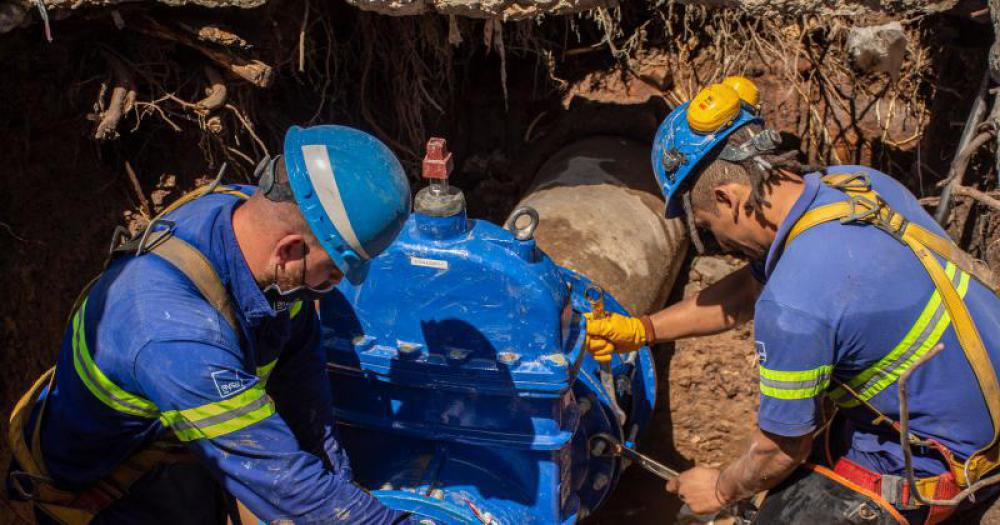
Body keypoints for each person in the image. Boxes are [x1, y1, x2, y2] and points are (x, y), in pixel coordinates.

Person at [583, 77, 1000, 524]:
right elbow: (747, 287)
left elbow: (779, 450)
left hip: (951, 468)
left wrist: (720, 487)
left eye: (708, 224)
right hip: (979, 406)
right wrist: (642, 331)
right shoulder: (855, 187)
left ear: (729, 198)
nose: (718, 239)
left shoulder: (794, 306)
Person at [7, 125, 417, 524]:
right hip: (105, 492)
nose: (336, 284)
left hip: (178, 453)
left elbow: (301, 381)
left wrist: (337, 481)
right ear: (290, 250)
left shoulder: (249, 221)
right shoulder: (173, 335)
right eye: (334, 270)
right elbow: (283, 480)